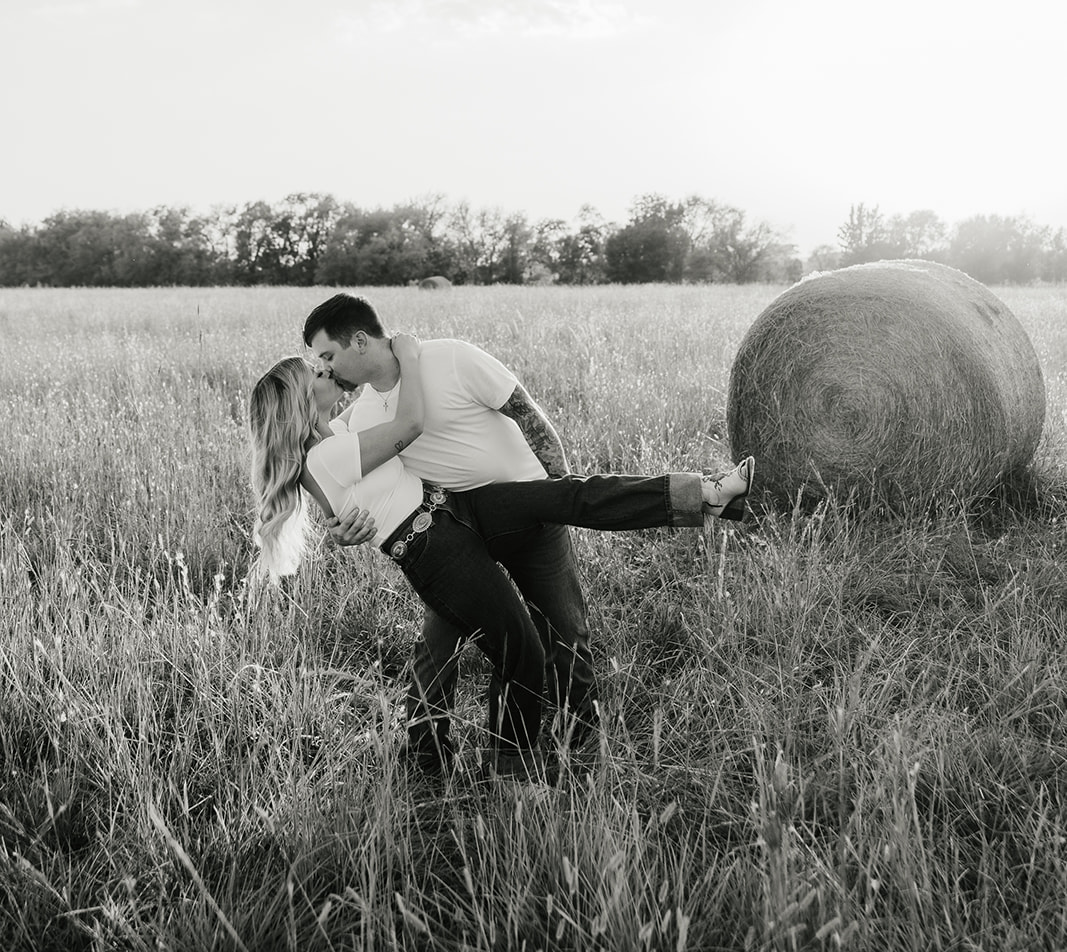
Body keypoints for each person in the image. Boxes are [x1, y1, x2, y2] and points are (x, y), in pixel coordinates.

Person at [248, 332, 753, 776]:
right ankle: (511, 774)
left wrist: (342, 525)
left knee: (565, 495)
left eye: (324, 360)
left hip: (454, 510)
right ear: (299, 402)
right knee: (520, 652)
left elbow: (350, 489)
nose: (327, 371)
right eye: (316, 370)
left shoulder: (335, 438)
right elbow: (409, 424)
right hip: (435, 545)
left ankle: (703, 496)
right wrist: (410, 354)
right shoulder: (327, 453)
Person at [302, 293, 599, 773]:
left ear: (359, 341)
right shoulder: (361, 417)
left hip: (529, 515)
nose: (327, 369)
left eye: (329, 356)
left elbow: (528, 415)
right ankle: (427, 757)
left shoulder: (452, 358)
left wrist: (558, 495)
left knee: (564, 630)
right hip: (456, 532)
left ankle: (578, 741)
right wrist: (341, 526)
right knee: (438, 646)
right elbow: (339, 477)